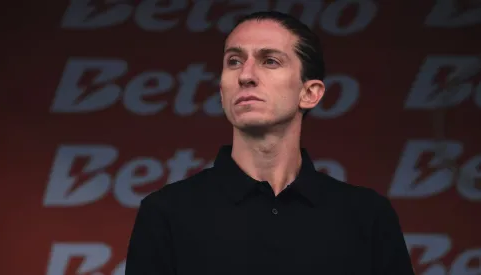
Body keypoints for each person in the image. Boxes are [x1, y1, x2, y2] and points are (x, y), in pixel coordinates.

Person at [125, 11, 415, 275]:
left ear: (310, 93)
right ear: (222, 90)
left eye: (270, 61)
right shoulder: (166, 213)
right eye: (234, 61)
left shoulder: (367, 216)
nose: (246, 75)